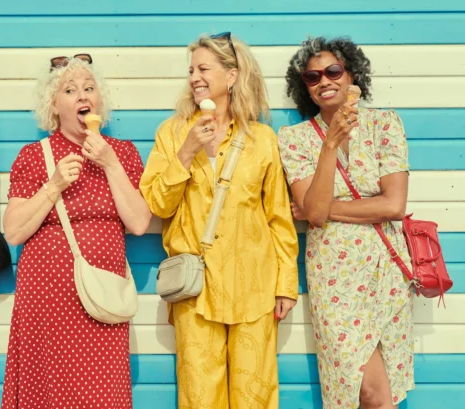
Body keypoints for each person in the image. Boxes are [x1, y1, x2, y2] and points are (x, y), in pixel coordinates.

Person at [139, 32, 299, 409]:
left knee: (254, 397)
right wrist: (187, 150)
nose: (194, 77)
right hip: (195, 290)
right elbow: (158, 204)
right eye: (191, 70)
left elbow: (278, 217)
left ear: (231, 75)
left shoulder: (261, 139)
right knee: (199, 398)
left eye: (203, 69)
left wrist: (286, 285)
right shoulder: (172, 133)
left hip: (254, 287)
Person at [0, 54, 152, 409]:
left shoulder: (123, 153)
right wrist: (53, 185)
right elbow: (14, 232)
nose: (82, 96)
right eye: (69, 90)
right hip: (47, 303)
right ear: (54, 106)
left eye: (89, 88)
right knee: (49, 394)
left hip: (102, 299)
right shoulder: (34, 156)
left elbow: (139, 223)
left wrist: (110, 164)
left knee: (102, 393)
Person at [276, 36, 414, 409]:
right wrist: (330, 144)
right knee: (363, 391)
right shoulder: (294, 139)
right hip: (334, 277)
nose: (324, 81)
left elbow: (394, 204)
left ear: (351, 74)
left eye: (333, 71)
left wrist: (322, 207)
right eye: (312, 76)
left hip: (385, 270)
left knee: (381, 392)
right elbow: (315, 214)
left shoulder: (384, 124)